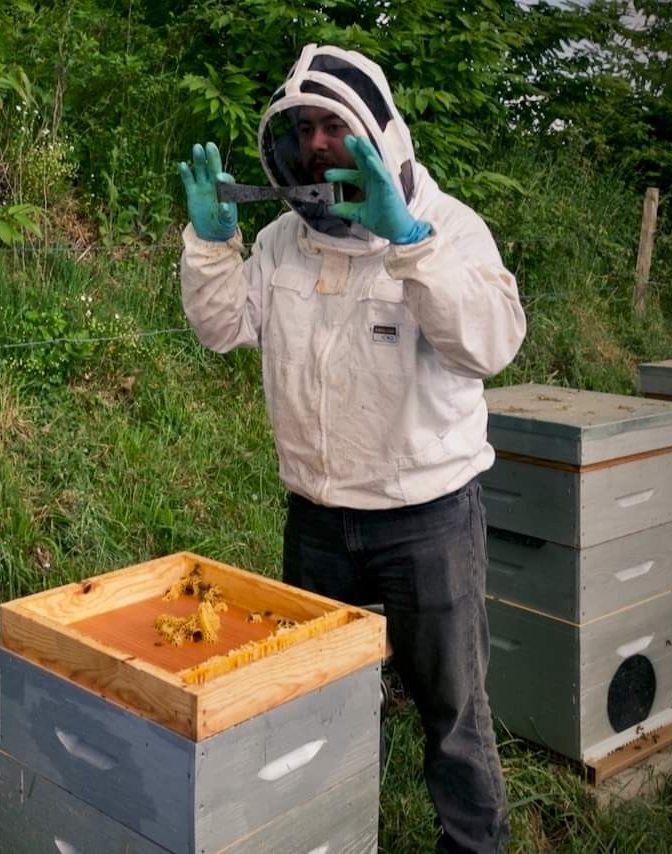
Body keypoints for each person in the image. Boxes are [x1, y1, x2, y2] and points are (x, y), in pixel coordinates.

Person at [178, 44, 525, 853]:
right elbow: (220, 328)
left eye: (333, 124)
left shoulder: (454, 230)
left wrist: (410, 241)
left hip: (427, 523)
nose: (317, 144)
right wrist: (210, 246)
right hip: (317, 523)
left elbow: (493, 344)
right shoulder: (280, 244)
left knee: (453, 714)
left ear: (378, 132)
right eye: (303, 128)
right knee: (316, 706)